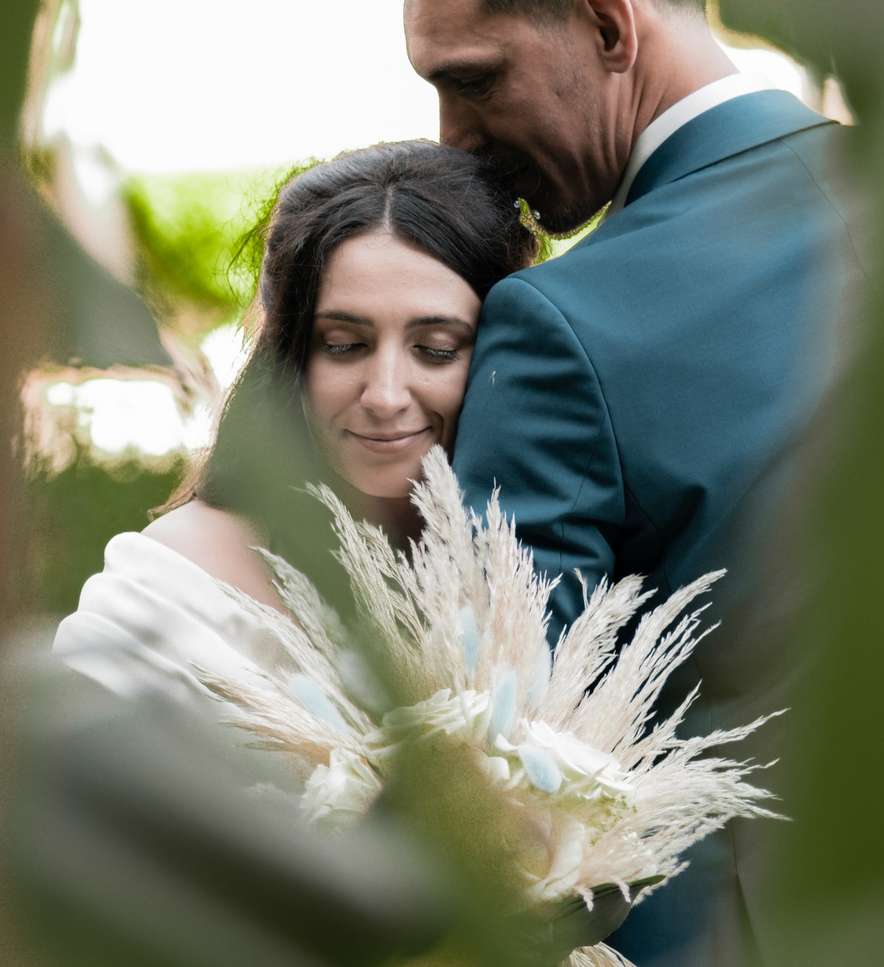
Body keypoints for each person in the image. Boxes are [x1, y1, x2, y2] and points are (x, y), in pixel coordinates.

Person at [371, 0, 858, 967]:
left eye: (471, 80)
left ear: (605, 25)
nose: (452, 141)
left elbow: (498, 769)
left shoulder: (556, 326)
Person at [53, 140, 536, 707]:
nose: (384, 396)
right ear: (291, 357)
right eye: (344, 345)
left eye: (435, 349)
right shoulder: (177, 584)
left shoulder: (539, 563)